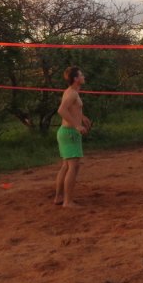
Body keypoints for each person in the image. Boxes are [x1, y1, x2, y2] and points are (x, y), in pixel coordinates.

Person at [54, 66, 92, 207]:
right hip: (70, 133)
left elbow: (71, 109)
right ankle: (68, 201)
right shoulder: (73, 94)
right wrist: (77, 125)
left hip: (65, 132)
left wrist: (82, 117)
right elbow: (61, 110)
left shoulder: (71, 92)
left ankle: (59, 197)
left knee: (66, 166)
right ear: (76, 79)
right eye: (81, 75)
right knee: (73, 167)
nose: (83, 76)